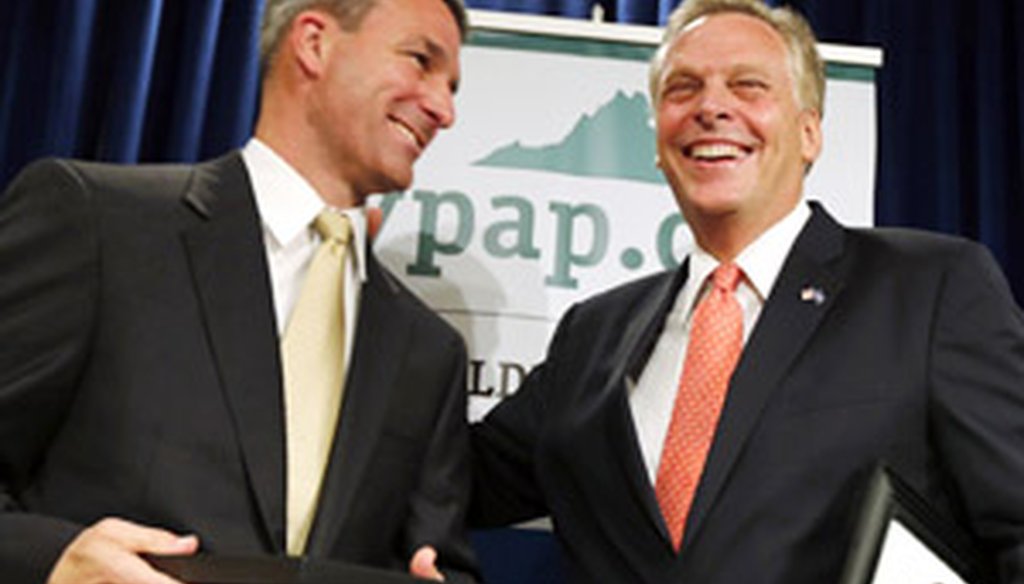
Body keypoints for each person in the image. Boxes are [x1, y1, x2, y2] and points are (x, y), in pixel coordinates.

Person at [469, 0, 1024, 582]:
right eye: (683, 89)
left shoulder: (929, 290)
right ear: (657, 140)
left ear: (810, 133)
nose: (711, 107)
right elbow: (455, 479)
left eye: (748, 85)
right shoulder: (592, 334)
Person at [0, 0, 479, 582]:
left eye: (451, 85)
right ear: (314, 43)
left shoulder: (430, 352)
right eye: (420, 61)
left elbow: (440, 560)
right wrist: (53, 559)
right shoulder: (97, 223)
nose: (444, 109)